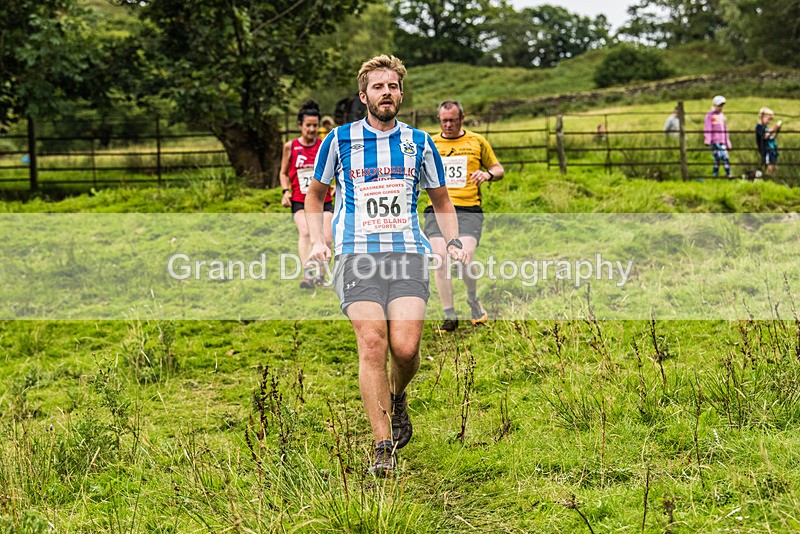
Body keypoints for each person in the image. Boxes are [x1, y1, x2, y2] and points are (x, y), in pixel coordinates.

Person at [305, 55, 466, 477]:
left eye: (392, 86)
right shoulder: (338, 141)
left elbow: (441, 201)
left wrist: (451, 241)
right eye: (378, 87)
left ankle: (397, 397)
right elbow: (316, 195)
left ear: (401, 93)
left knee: (406, 349)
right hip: (356, 255)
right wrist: (319, 242)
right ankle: (383, 447)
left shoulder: (420, 142)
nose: (386, 93)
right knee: (373, 343)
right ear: (364, 96)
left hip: (407, 254)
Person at [427, 100, 504, 333]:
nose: (448, 125)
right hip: (438, 209)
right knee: (440, 258)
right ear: (439, 120)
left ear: (462, 118)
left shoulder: (477, 141)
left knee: (464, 258)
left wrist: (487, 174)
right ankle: (449, 316)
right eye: (444, 120)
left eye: (452, 120)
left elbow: (499, 169)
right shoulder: (430, 143)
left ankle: (472, 299)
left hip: (468, 208)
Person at [278, 100, 334, 288]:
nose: (311, 129)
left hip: (323, 200)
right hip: (299, 200)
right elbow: (283, 173)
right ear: (300, 125)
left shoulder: (324, 145)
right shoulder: (290, 147)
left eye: (315, 126)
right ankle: (309, 275)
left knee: (327, 238)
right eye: (308, 125)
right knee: (306, 231)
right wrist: (285, 191)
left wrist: (334, 184)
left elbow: (333, 169)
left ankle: (320, 275)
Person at [704, 95, 732, 178]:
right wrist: (708, 139)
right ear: (714, 105)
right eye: (719, 105)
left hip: (722, 140)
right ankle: (716, 174)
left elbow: (725, 130)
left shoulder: (722, 116)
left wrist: (728, 142)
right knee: (718, 157)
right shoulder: (710, 115)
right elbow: (707, 127)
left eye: (721, 106)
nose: (720, 107)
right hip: (714, 141)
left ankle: (727, 174)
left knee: (725, 157)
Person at [755, 107, 781, 177]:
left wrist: (777, 131)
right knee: (769, 166)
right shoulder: (759, 127)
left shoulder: (766, 127)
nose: (769, 122)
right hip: (766, 151)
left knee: (774, 166)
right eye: (768, 119)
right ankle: (767, 178)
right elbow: (765, 136)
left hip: (772, 150)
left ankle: (772, 179)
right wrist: (773, 128)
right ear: (762, 117)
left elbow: (771, 138)